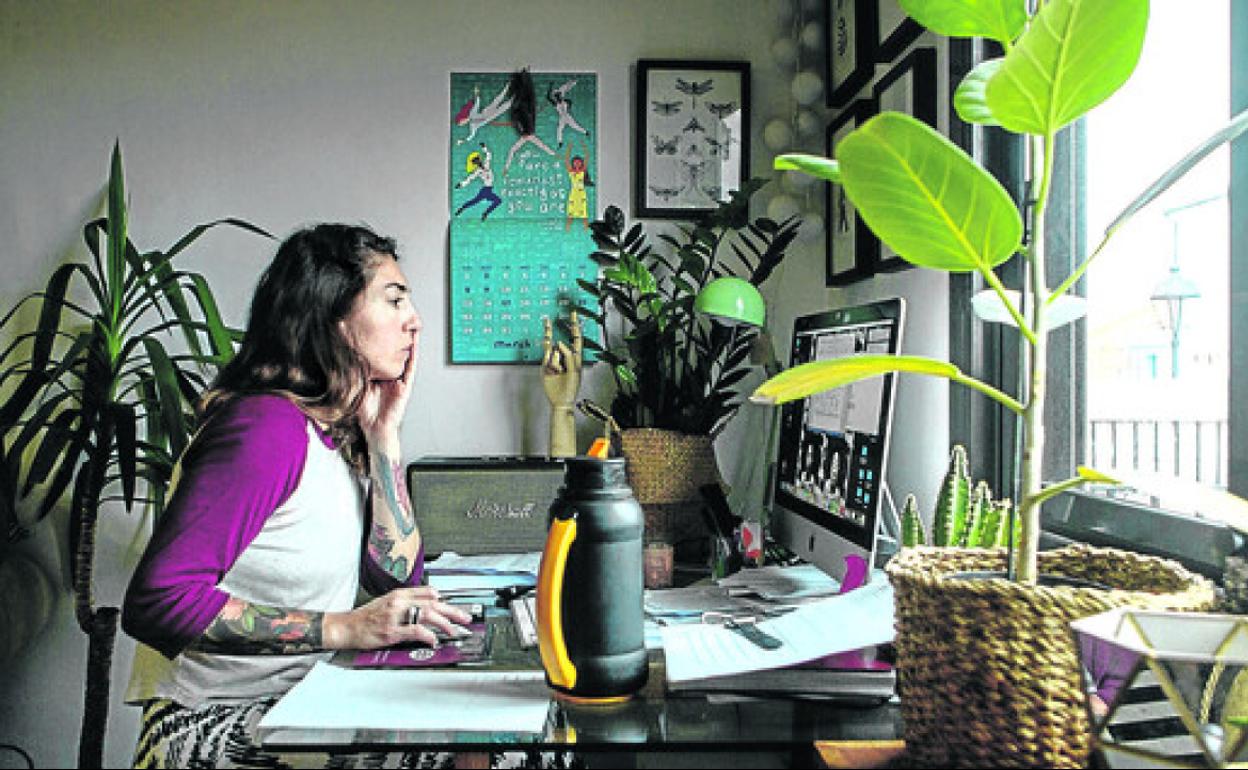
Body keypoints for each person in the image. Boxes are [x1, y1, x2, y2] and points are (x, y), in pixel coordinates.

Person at [121, 223, 479, 768]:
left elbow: (396, 580)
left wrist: (384, 440)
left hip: (302, 695)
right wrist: (345, 628)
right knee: (491, 751)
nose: (415, 320)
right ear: (334, 317)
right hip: (208, 723)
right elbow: (159, 601)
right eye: (394, 300)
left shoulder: (332, 431)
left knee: (501, 735)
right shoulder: (266, 429)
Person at [455, 143, 503, 221]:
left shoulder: (486, 164)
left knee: (476, 201)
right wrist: (461, 184)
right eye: (476, 162)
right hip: (486, 190)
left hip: (488, 189)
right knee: (475, 201)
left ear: (480, 159)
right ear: (475, 164)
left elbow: (488, 155)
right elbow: (470, 179)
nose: (478, 162)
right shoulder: (478, 171)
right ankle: (482, 213)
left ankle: (482, 213)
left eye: (478, 160)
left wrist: (484, 147)